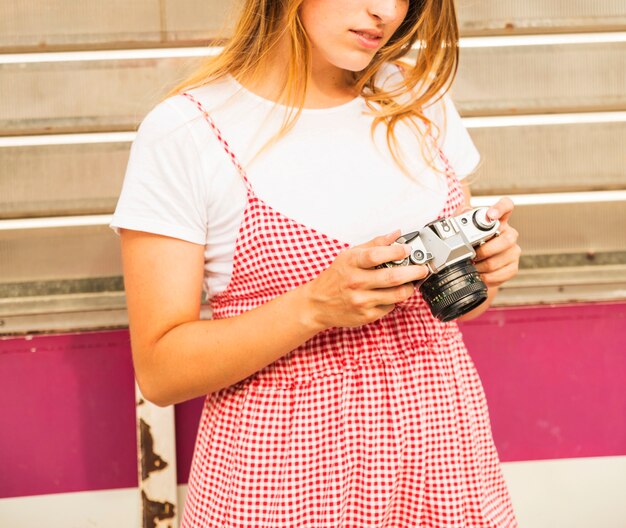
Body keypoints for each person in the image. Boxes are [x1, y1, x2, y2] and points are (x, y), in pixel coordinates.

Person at [111, 0, 521, 526]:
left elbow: (460, 312)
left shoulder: (416, 99)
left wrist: (488, 271)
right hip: (282, 476)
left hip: (443, 454)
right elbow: (160, 372)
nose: (386, 12)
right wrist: (312, 307)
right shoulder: (188, 132)